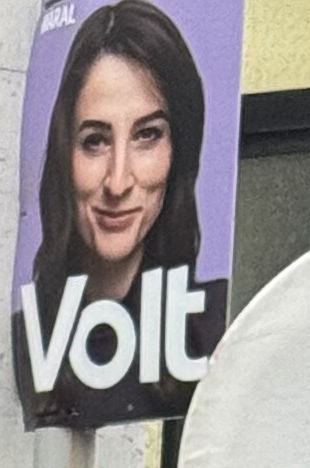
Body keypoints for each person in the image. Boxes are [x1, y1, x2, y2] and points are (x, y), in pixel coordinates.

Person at [31, 0, 203, 319]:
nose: (118, 183)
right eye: (95, 141)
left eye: (147, 135)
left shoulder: (215, 324)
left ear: (179, 150)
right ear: (63, 150)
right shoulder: (27, 327)